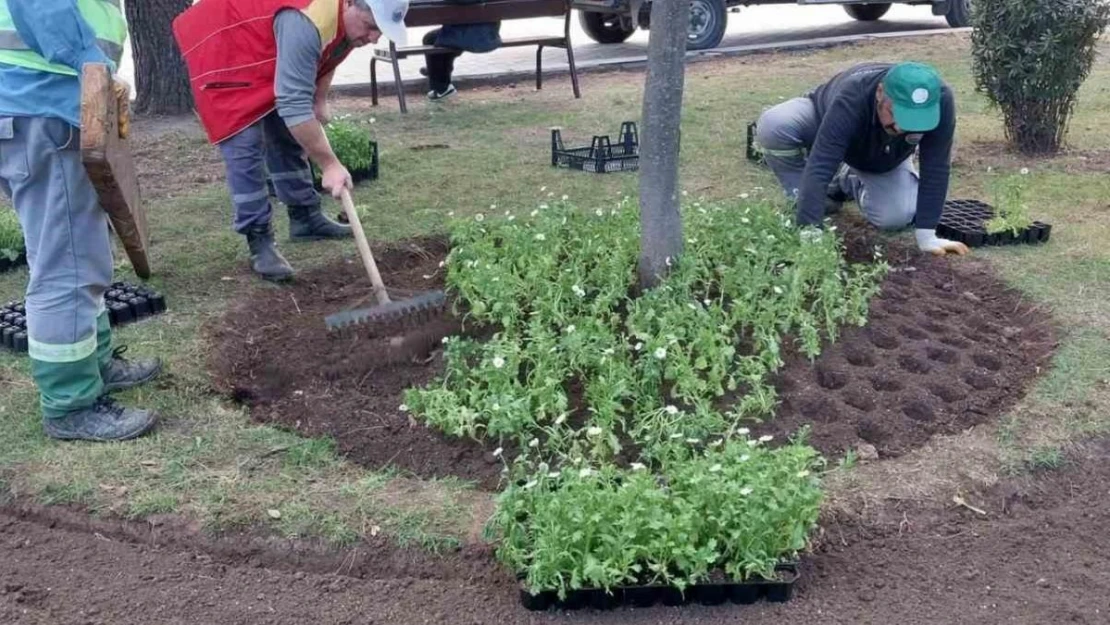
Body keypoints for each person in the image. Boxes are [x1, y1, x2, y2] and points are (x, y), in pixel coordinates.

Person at [0, 0, 162, 441]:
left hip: (47, 105)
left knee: (82, 251)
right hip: (44, 107)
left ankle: (95, 363)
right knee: (67, 264)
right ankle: (71, 403)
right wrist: (88, 58)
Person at [173, 0, 410, 281]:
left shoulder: (344, 25)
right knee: (245, 145)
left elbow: (328, 53)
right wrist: (330, 163)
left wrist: (319, 98)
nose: (374, 38)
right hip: (226, 46)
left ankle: (305, 218)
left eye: (380, 31)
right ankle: (259, 239)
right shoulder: (307, 20)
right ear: (349, 3)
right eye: (371, 27)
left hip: (266, 45)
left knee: (288, 133)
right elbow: (294, 103)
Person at [756, 61, 969, 257]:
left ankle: (846, 178)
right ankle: (801, 194)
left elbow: (936, 167)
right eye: (894, 113)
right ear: (879, 93)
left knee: (894, 217)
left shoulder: (940, 99)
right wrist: (810, 230)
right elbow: (821, 163)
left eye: (912, 120)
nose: (900, 127)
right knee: (774, 124)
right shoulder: (853, 94)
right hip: (826, 124)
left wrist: (927, 236)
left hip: (884, 156)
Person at [420, 1, 502, 101]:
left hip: (469, 36)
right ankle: (436, 73)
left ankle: (441, 87)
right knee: (439, 39)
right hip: (490, 36)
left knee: (431, 39)